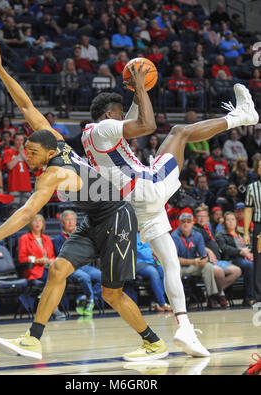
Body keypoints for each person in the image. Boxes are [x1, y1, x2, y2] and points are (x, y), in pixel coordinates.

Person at [0, 41, 167, 363]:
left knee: (111, 294)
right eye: (24, 151)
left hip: (118, 218)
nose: (25, 156)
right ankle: (32, 339)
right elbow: (27, 106)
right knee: (58, 269)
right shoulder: (53, 141)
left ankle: (153, 343)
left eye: (30, 152)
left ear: (45, 152)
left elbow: (27, 211)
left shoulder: (52, 175)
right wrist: (0, 69)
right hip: (94, 219)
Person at [81, 60, 258, 356]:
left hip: (136, 203)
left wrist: (138, 92)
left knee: (170, 262)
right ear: (110, 114)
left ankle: (185, 328)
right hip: (145, 188)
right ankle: (242, 117)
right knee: (179, 132)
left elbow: (137, 116)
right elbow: (147, 125)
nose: (123, 117)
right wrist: (139, 84)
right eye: (119, 113)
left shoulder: (97, 135)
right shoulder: (104, 128)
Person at [53, 210, 102, 316]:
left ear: (76, 222)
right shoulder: (58, 239)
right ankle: (90, 299)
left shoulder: (82, 236)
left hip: (84, 265)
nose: (70, 222)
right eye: (67, 220)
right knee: (84, 277)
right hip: (69, 268)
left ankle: (86, 298)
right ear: (62, 223)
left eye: (72, 219)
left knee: (102, 276)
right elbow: (61, 256)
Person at [193, 205, 242, 307]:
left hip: (217, 260)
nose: (201, 219)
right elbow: (196, 244)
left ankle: (215, 292)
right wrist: (208, 251)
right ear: (196, 218)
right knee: (219, 272)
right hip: (205, 261)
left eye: (204, 216)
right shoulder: (194, 229)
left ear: (208, 218)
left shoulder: (207, 227)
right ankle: (220, 295)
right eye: (199, 216)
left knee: (237, 271)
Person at [171, 212, 219, 309]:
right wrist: (193, 261)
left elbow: (202, 254)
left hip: (193, 266)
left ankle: (211, 297)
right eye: (183, 222)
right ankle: (177, 300)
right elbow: (173, 259)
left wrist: (204, 259)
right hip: (179, 267)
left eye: (188, 222)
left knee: (208, 267)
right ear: (179, 224)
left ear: (192, 223)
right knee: (173, 272)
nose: (186, 224)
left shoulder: (197, 235)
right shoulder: (174, 236)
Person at [216, 211, 255, 306]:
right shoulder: (220, 234)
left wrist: (249, 252)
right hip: (231, 259)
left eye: (233, 219)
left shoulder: (241, 233)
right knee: (249, 265)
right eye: (228, 220)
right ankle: (249, 298)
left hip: (245, 256)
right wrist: (239, 251)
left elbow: (249, 244)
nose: (231, 222)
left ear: (236, 221)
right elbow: (223, 249)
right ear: (224, 222)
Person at [136, 233, 172, 312]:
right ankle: (162, 303)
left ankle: (155, 301)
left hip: (151, 261)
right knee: (153, 272)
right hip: (138, 262)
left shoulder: (146, 233)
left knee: (163, 270)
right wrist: (151, 251)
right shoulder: (132, 234)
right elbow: (137, 250)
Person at [244, 158, 261, 305]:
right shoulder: (252, 187)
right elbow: (248, 210)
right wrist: (245, 232)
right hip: (259, 226)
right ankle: (259, 296)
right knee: (259, 260)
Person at [2, 132, 32, 209]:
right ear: (14, 140)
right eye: (17, 140)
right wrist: (19, 155)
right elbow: (10, 166)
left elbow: (31, 167)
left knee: (26, 210)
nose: (20, 142)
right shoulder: (8, 152)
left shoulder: (27, 153)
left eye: (21, 140)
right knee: (14, 210)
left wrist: (23, 155)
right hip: (14, 186)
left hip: (26, 186)